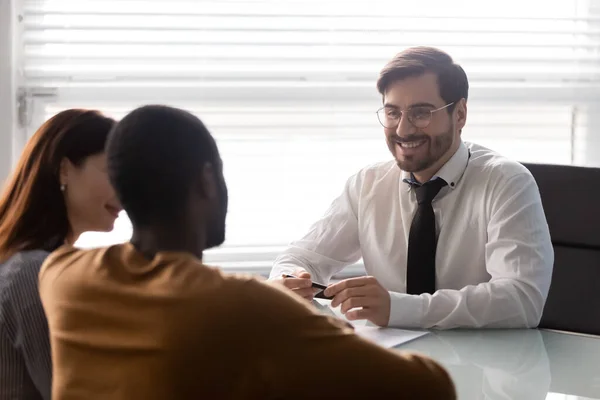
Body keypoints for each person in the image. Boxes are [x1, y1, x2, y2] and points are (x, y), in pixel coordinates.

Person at [39, 105, 455, 400]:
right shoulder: (243, 306)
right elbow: (429, 386)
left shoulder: (60, 274)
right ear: (206, 180)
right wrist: (327, 334)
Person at [270, 46, 554, 330]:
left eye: (421, 113)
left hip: (488, 367)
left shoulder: (507, 182)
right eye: (392, 113)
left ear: (460, 114)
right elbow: (301, 257)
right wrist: (289, 282)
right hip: (393, 361)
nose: (403, 130)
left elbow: (522, 300)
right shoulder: (367, 184)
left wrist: (400, 309)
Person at [0, 109, 121, 400]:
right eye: (113, 173)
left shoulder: (41, 265)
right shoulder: (34, 271)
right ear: (64, 169)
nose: (126, 191)